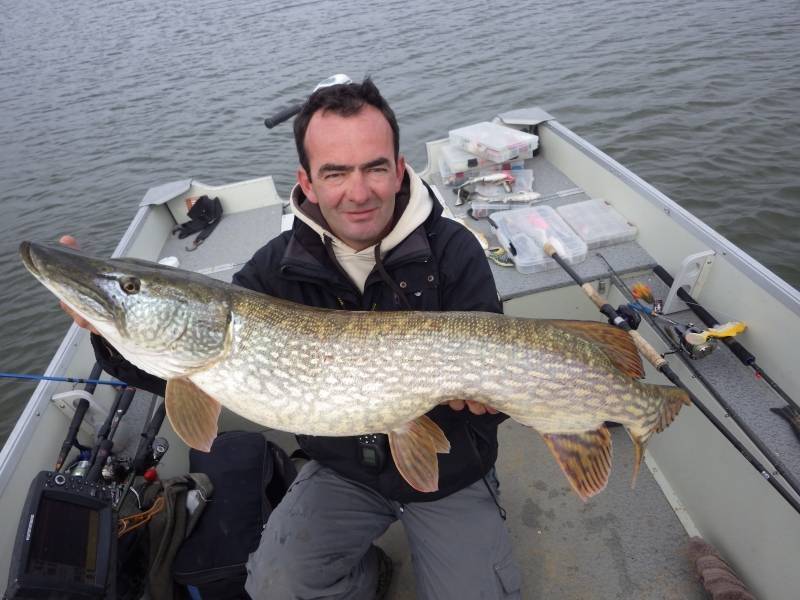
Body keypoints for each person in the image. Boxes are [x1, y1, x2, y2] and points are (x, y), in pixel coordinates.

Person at [64, 78, 521, 599]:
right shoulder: (273, 270)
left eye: (374, 167)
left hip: (450, 466)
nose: (359, 191)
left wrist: (489, 399)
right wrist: (107, 328)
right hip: (346, 472)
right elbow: (173, 365)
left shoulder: (453, 251)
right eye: (336, 172)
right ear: (306, 180)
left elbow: (503, 382)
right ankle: (366, 575)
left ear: (398, 169)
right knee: (277, 587)